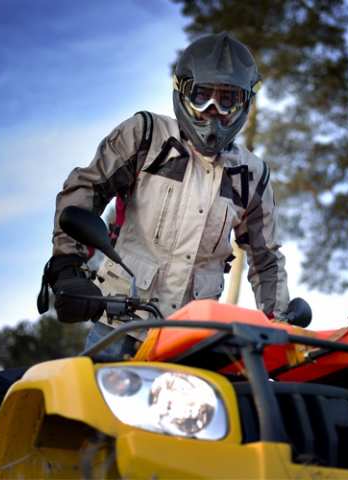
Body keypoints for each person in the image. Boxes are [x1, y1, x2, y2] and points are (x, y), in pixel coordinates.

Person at [37, 32, 290, 360]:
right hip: (119, 323)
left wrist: (280, 320)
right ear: (182, 91)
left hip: (192, 342)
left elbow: (266, 258)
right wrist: (67, 264)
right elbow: (87, 187)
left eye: (227, 99)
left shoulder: (252, 175)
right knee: (87, 408)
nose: (214, 111)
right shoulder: (146, 136)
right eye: (203, 96)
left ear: (244, 103)